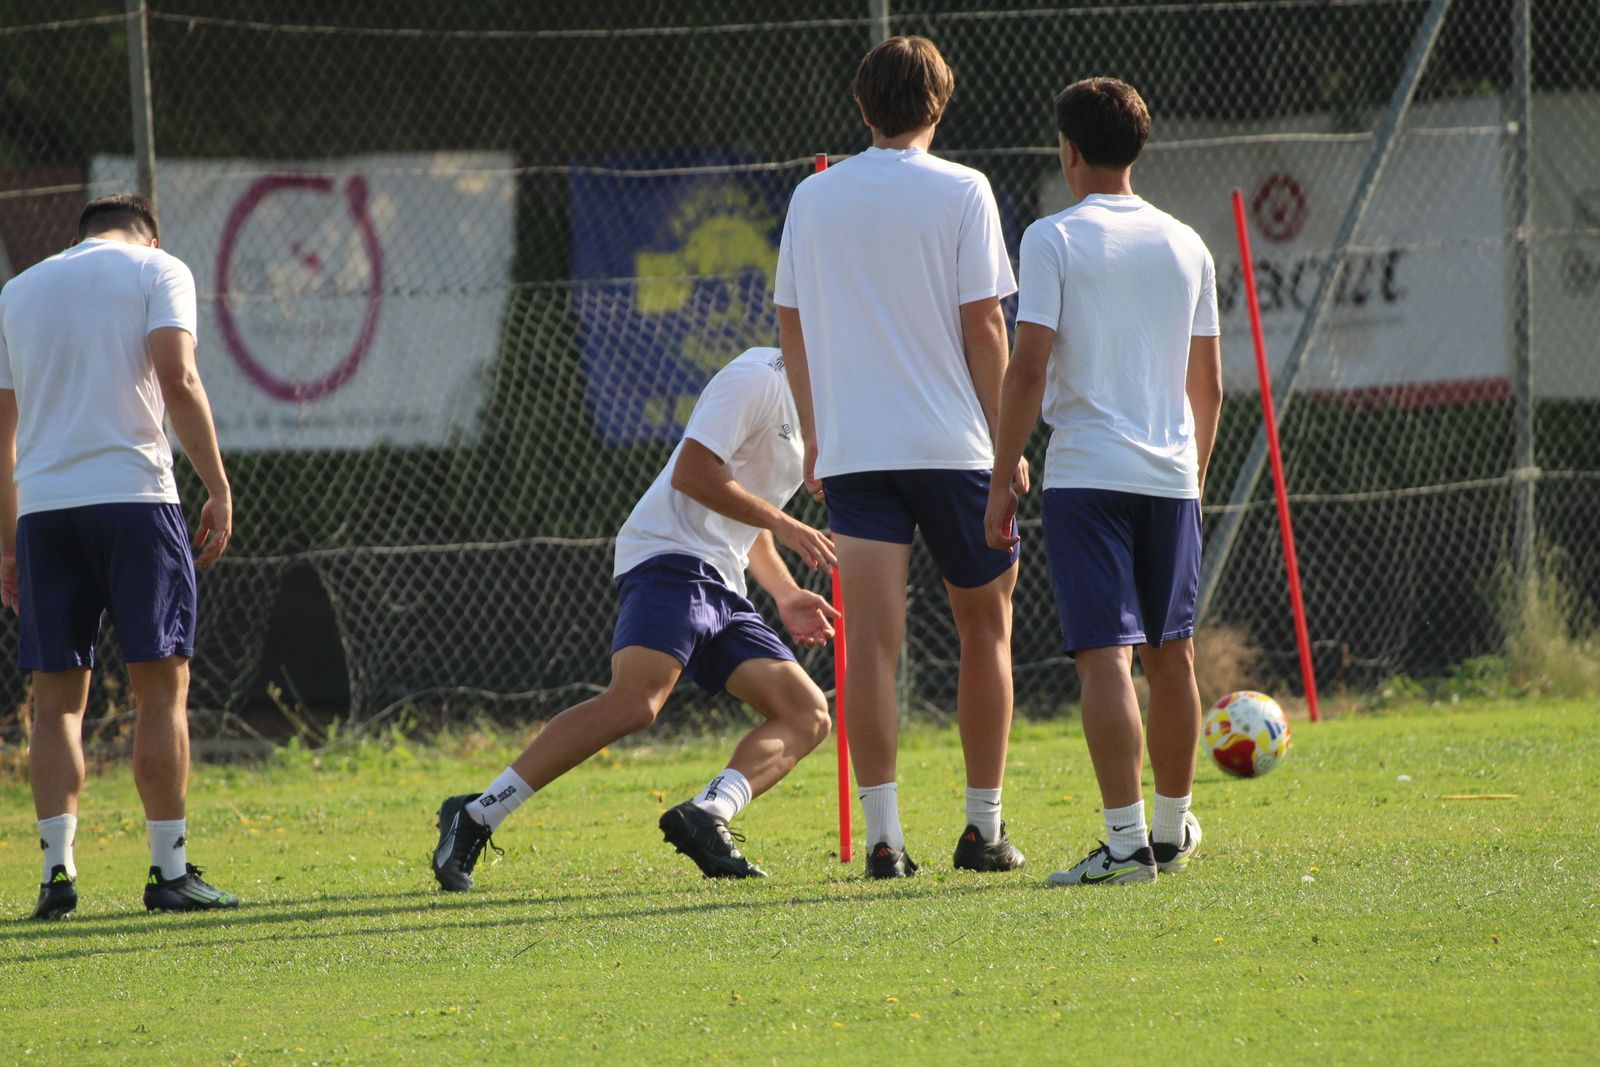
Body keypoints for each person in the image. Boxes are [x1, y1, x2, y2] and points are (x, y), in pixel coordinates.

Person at [432, 346, 838, 891]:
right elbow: (694, 474)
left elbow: (746, 506)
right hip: (670, 556)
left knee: (807, 714)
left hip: (721, 578)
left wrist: (786, 593)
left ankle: (708, 814)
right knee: (635, 703)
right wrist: (789, 526)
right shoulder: (758, 378)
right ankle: (478, 813)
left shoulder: (818, 403)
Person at [775, 35, 1027, 879]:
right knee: (985, 629)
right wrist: (1008, 443)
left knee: (871, 647)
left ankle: (884, 838)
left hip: (857, 452)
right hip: (954, 447)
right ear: (941, 104)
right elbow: (985, 323)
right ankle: (982, 829)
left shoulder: (815, 196)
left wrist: (816, 434)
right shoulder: (964, 188)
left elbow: (793, 324)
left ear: (861, 106)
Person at [984, 78, 1224, 886]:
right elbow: (1211, 386)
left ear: (1070, 150)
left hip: (1089, 475)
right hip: (1172, 476)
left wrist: (999, 479)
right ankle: (1169, 830)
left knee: (1104, 661)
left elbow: (1027, 369)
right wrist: (1192, 480)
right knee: (1173, 657)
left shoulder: (1052, 237)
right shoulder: (1189, 242)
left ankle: (1125, 847)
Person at [0, 193, 237, 918]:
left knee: (55, 703)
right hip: (135, 496)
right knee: (160, 689)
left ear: (80, 235)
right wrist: (219, 485)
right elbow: (179, 377)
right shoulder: (159, 269)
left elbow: (3, 425)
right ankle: (168, 872)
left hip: (44, 511)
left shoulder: (20, 288)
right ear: (149, 233)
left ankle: (57, 876)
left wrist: (10, 534)